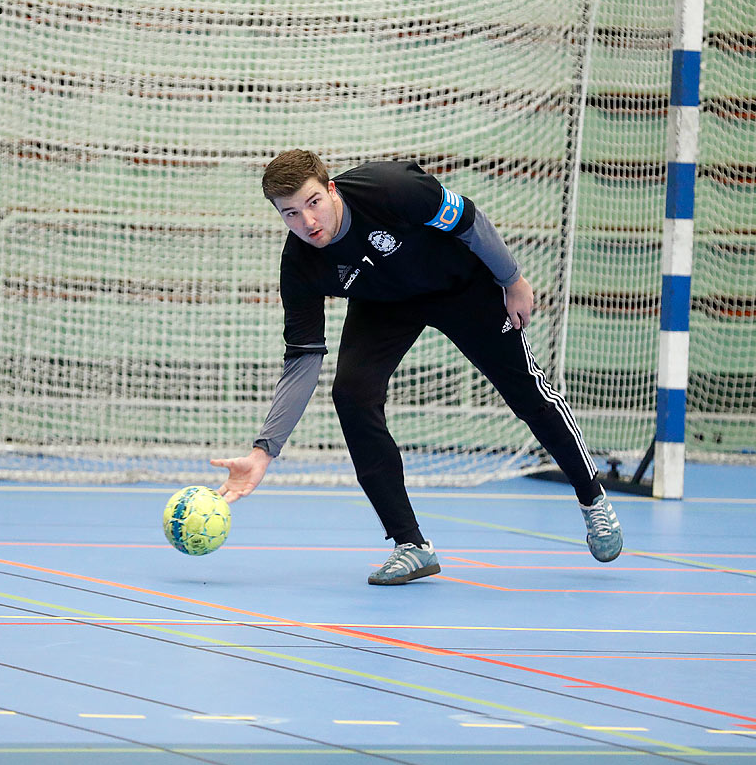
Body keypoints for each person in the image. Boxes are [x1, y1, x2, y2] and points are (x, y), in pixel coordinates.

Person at [210, 150, 622, 585]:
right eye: (290, 213)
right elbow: (303, 358)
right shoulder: (300, 265)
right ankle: (410, 545)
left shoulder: (392, 190)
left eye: (313, 202)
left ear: (331, 189)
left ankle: (592, 498)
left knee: (526, 392)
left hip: (461, 286)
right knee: (351, 393)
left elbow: (470, 221)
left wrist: (512, 280)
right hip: (383, 304)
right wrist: (264, 451)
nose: (307, 221)